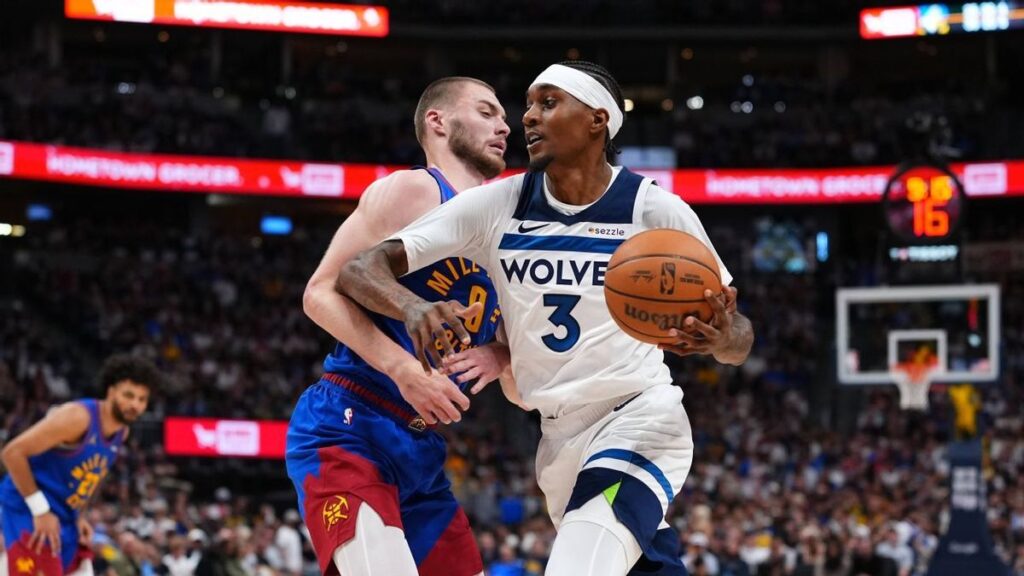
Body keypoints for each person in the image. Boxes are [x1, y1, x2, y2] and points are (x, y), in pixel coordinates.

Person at [337, 60, 754, 576]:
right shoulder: (499, 204)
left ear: (597, 120)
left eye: (548, 103)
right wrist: (412, 304)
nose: (528, 117)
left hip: (639, 418)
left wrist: (719, 338)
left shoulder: (655, 212)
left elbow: (740, 339)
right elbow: (360, 269)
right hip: (556, 436)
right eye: (529, 104)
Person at [287, 76, 513, 576]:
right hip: (350, 425)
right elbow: (320, 292)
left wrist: (499, 356)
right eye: (486, 111)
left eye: (502, 115)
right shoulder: (417, 189)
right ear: (438, 121)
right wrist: (403, 367)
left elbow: (510, 347)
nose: (505, 125)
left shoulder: (503, 227)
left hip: (422, 450)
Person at [0, 354, 161, 576]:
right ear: (111, 391)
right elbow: (12, 453)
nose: (135, 404)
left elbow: (92, 476)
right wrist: (40, 510)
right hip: (28, 508)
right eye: (129, 395)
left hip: (64, 515)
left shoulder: (122, 432)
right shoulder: (78, 417)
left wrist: (80, 516)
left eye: (142, 399)